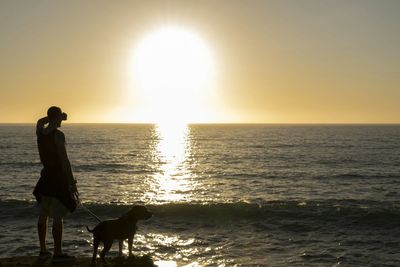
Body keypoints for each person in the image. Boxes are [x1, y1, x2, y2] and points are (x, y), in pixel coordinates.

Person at [33, 106, 78, 263]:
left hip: (45, 178)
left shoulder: (40, 132)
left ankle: (43, 250)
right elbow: (65, 161)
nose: (62, 120)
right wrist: (71, 182)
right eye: (60, 117)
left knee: (43, 214)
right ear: (56, 117)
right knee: (58, 217)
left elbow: (40, 121)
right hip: (57, 178)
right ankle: (57, 253)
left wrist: (52, 117)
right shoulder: (58, 136)